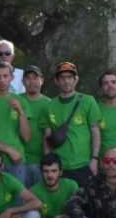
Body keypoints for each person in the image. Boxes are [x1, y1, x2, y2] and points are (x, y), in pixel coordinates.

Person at [40, 61, 101, 189]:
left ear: (75, 79)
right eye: (62, 78)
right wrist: (48, 164)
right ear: (56, 81)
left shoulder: (88, 101)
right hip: (60, 168)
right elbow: (47, 136)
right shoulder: (49, 106)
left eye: (69, 77)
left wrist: (94, 159)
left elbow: (95, 131)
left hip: (83, 165)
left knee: (85, 199)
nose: (66, 81)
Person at [16, 66, 52, 187]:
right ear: (22, 81)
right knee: (20, 197)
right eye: (28, 78)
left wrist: (48, 161)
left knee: (40, 196)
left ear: (42, 80)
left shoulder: (50, 104)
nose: (32, 82)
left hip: (41, 162)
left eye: (35, 78)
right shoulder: (16, 101)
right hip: (18, 161)